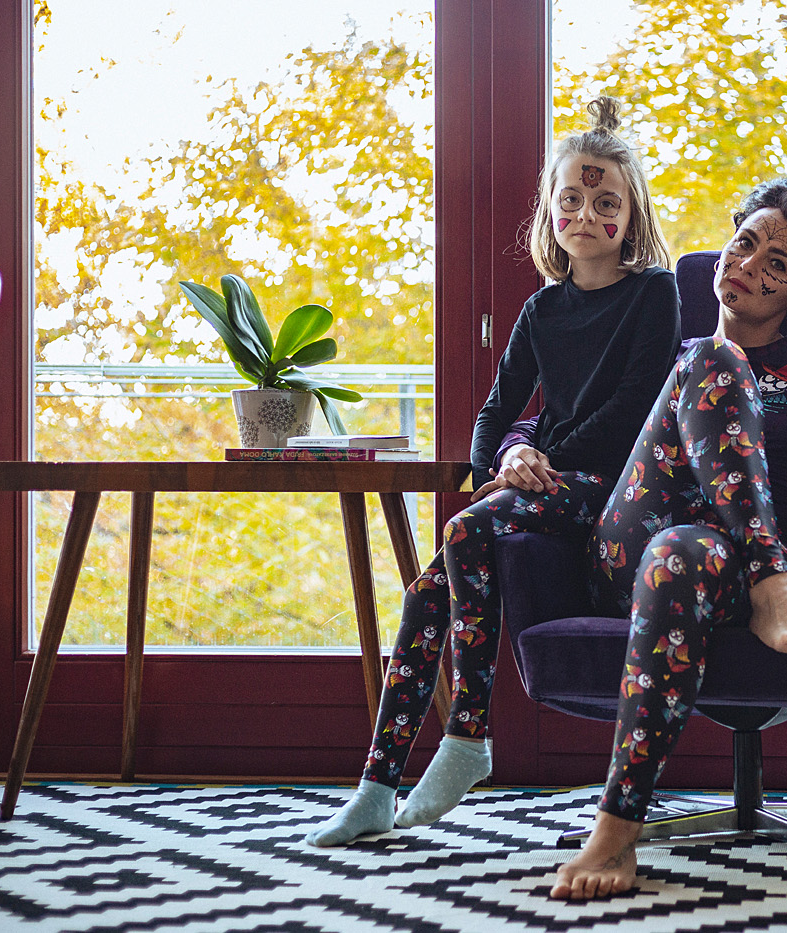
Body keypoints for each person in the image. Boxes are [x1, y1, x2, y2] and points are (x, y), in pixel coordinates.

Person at [305, 96, 681, 847]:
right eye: (569, 199)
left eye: (605, 203)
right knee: (427, 590)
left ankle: (469, 734)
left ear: (632, 216)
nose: (585, 214)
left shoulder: (655, 293)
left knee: (465, 530)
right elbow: (494, 412)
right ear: (549, 210)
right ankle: (377, 784)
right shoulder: (542, 311)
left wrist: (539, 463)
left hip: (618, 490)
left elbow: (634, 411)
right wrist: (506, 459)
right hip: (545, 485)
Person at [551, 177, 787, 899]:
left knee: (681, 552)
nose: (748, 265)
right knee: (713, 358)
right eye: (745, 242)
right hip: (632, 547)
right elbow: (556, 410)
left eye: (777, 264)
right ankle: (770, 583)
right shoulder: (668, 345)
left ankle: (616, 828)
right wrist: (513, 451)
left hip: (726, 560)